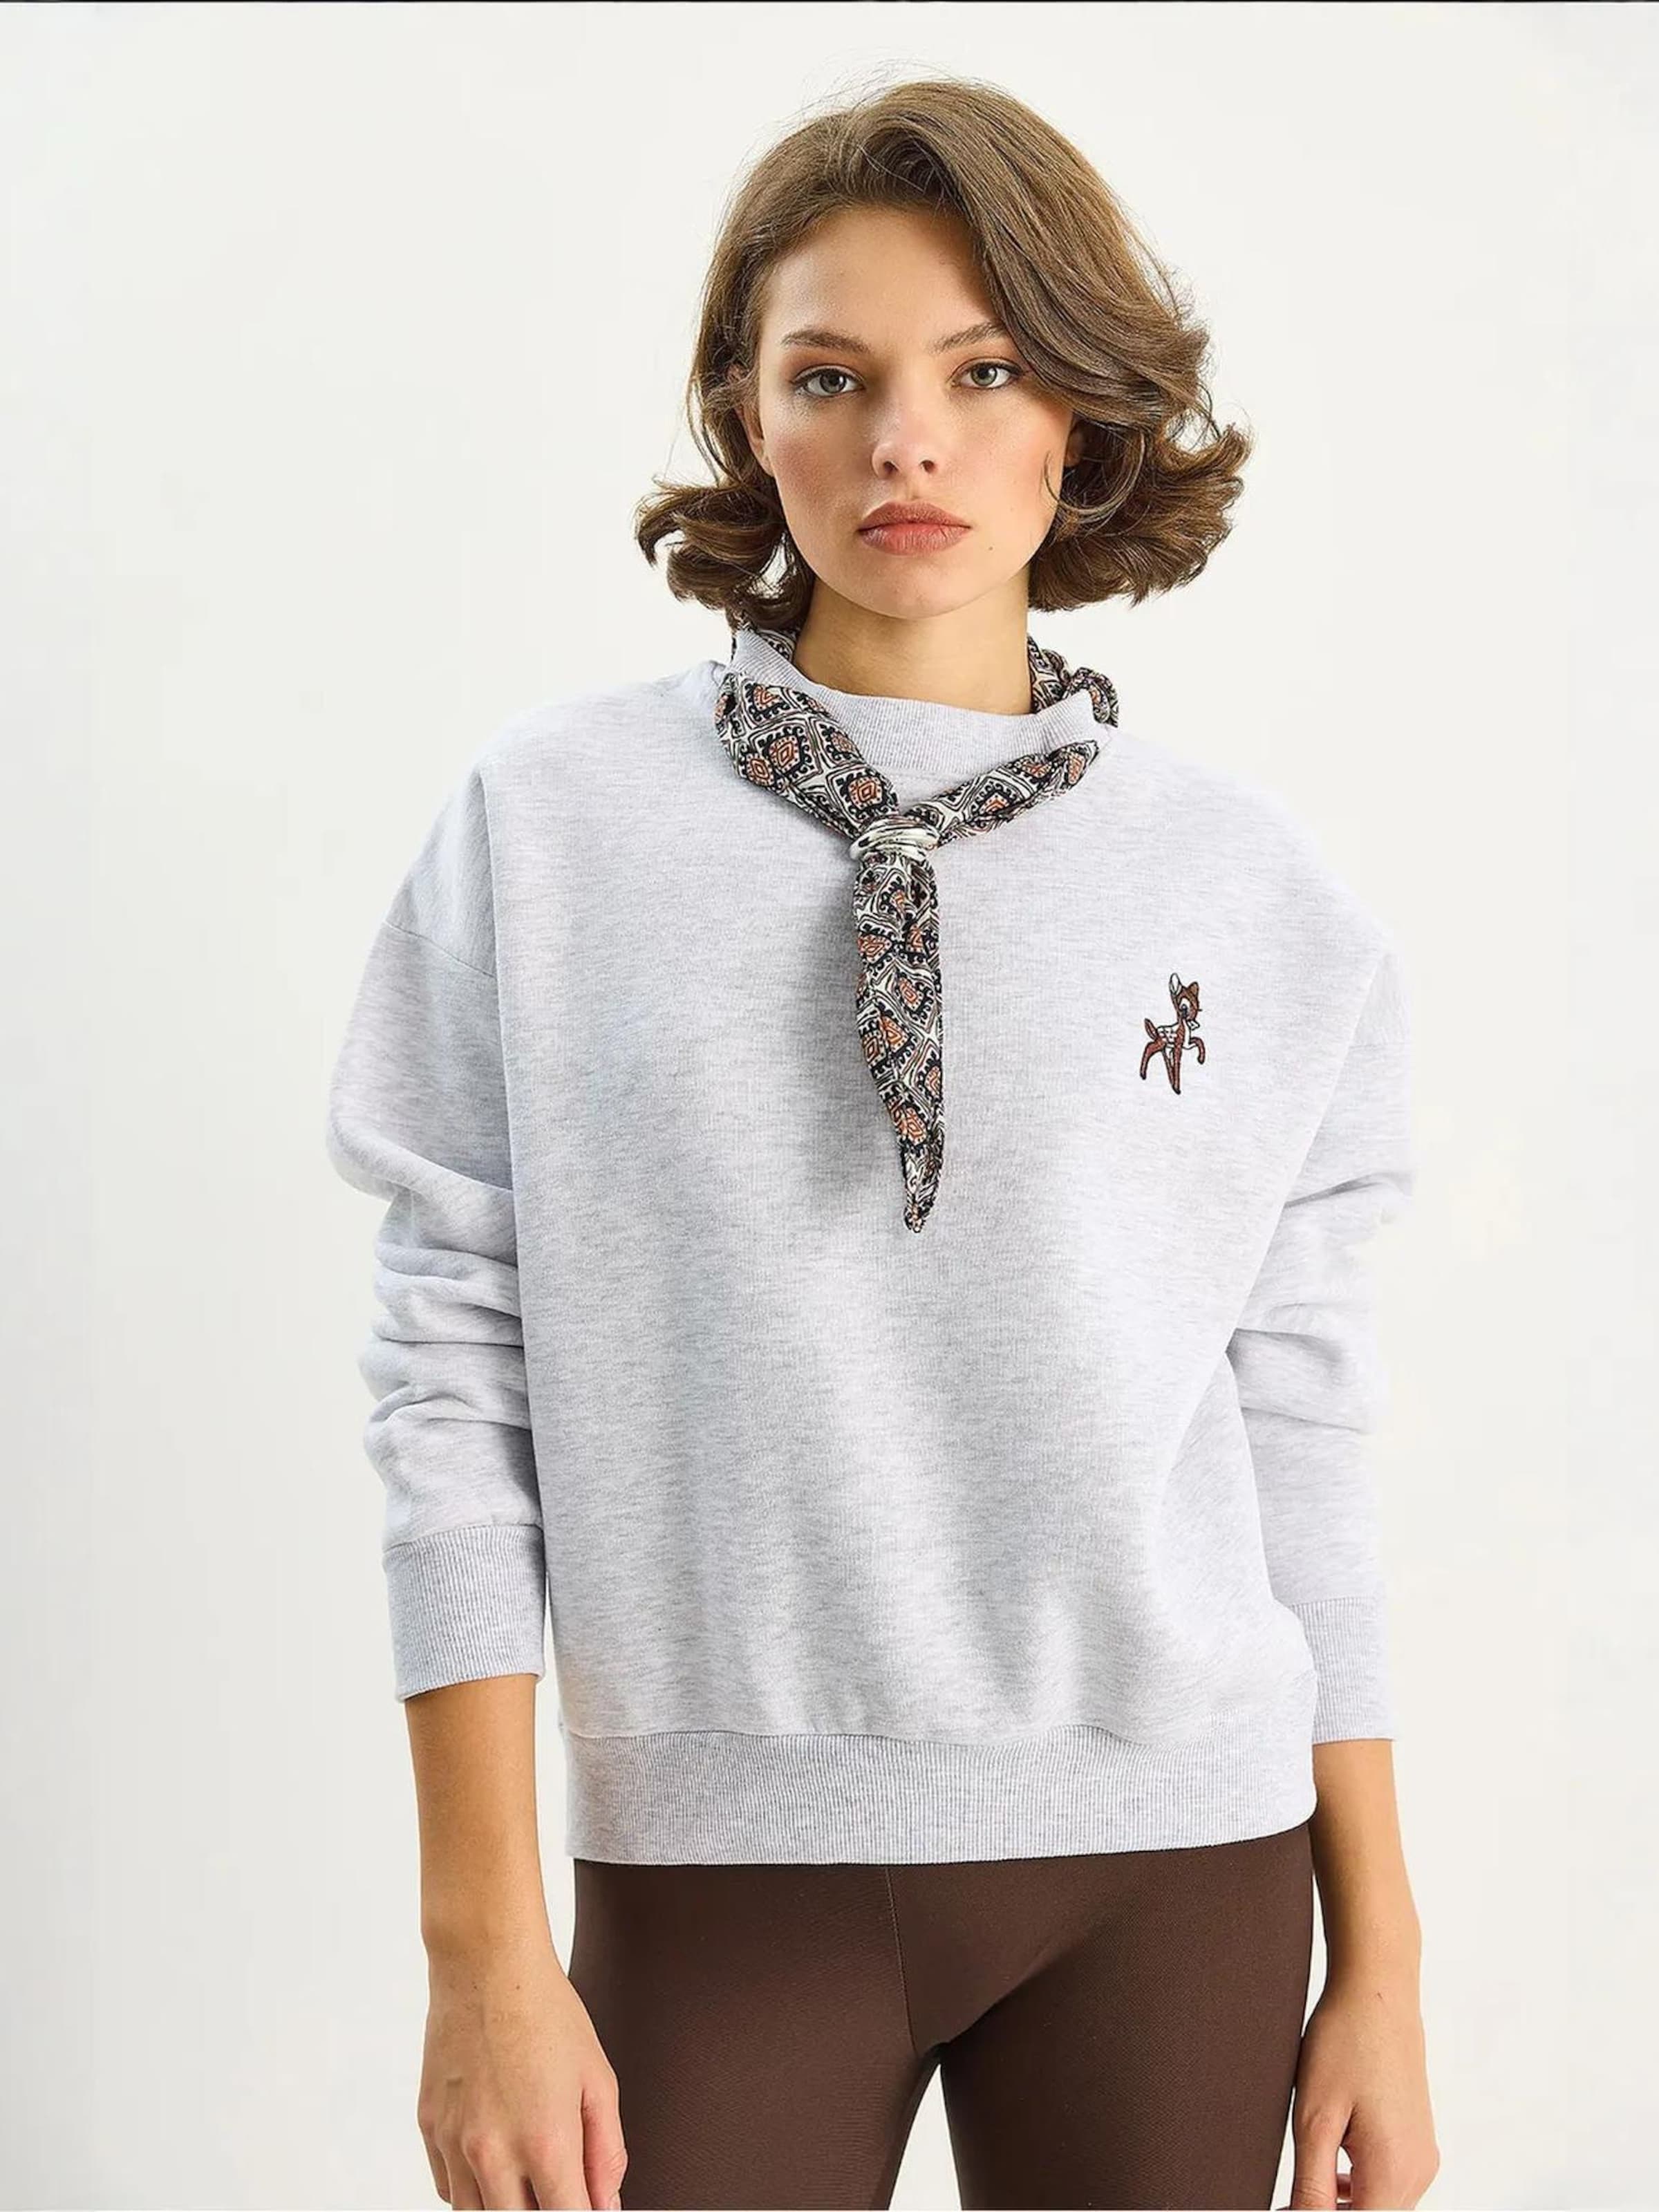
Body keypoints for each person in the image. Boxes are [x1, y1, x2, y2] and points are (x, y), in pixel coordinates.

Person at [325, 73, 1439, 2212]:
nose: (904, 443)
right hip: (723, 1857)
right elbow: (453, 1368)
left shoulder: (1254, 893)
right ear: (750, 419)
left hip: (1179, 1859)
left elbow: (1296, 1423)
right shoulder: (554, 830)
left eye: (982, 371)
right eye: (829, 377)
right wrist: (480, 1952)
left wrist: (1381, 1957)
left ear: (1081, 418)